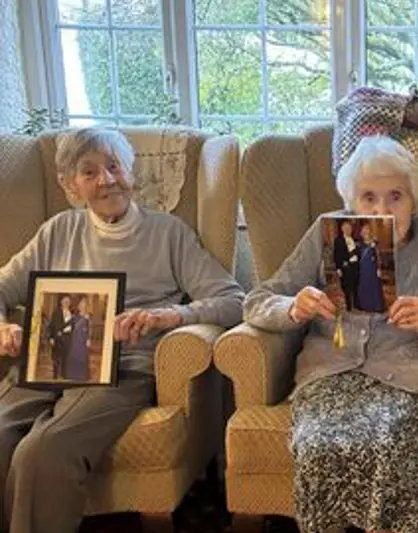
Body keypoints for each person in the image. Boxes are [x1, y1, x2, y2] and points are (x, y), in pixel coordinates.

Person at [244, 135, 418, 533]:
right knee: (320, 443)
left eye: (395, 197)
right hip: (331, 377)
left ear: (414, 200)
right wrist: (292, 307)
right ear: (352, 201)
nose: (382, 209)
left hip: (413, 383)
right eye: (368, 197)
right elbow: (256, 301)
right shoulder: (326, 233)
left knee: (391, 439)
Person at [0, 128, 245, 533]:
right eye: (89, 172)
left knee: (42, 451)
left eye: (114, 166)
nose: (107, 180)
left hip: (121, 369)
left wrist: (171, 315)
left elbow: (233, 300)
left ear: (131, 171)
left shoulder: (168, 233)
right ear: (69, 185)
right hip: (46, 362)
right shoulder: (57, 231)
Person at [355, 223, 385, 312]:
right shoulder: (358, 245)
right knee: (364, 286)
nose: (366, 231)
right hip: (363, 269)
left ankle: (376, 306)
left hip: (373, 268)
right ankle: (365, 305)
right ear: (361, 233)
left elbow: (378, 257)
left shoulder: (375, 243)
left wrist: (379, 268)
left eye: (367, 229)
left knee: (374, 286)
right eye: (364, 230)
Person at [333, 220, 360, 311]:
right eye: (346, 228)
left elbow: (359, 252)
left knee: (356, 285)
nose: (348, 230)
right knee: (346, 287)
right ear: (342, 229)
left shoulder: (355, 240)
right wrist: (338, 268)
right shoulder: (338, 240)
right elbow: (336, 255)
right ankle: (349, 305)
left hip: (355, 266)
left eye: (349, 228)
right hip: (345, 267)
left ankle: (356, 304)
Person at [64, 296, 91, 382]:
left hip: (83, 340)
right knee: (74, 355)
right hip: (75, 339)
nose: (82, 305)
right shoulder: (74, 317)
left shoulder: (88, 317)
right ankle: (72, 375)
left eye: (84, 303)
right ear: (79, 306)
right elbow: (73, 328)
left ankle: (82, 376)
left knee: (82, 357)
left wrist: (89, 338)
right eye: (81, 303)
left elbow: (89, 328)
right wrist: (83, 319)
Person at [46, 295, 73, 379]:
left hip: (68, 338)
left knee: (66, 357)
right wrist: (51, 337)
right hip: (58, 338)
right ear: (61, 302)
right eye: (65, 301)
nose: (66, 303)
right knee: (56, 358)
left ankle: (64, 374)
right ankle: (55, 375)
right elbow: (51, 325)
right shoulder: (56, 312)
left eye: (68, 301)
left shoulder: (72, 313)